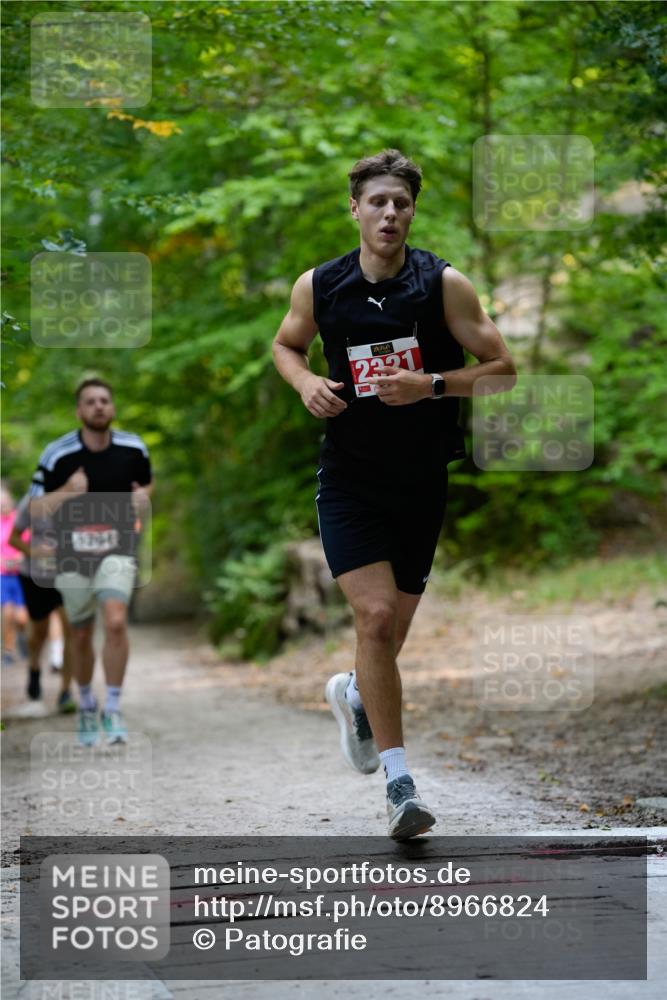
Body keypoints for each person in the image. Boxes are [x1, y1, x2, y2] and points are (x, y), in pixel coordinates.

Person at [273, 149, 516, 840]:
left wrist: (431, 385)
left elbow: (502, 370)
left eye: (400, 204)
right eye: (376, 202)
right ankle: (400, 786)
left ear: (412, 211)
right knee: (374, 620)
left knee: (389, 635)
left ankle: (354, 693)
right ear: (354, 208)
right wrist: (303, 384)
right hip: (348, 479)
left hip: (420, 479)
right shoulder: (319, 286)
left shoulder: (442, 284)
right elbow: (286, 346)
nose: (388, 213)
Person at [29, 378, 153, 745]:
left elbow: (145, 487)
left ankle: (112, 708)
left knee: (115, 622)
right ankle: (85, 704)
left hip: (118, 550)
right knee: (80, 632)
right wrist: (67, 490)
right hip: (72, 557)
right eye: (90, 401)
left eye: (104, 400)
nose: (98, 406)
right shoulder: (57, 455)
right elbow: (34, 508)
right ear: (79, 411)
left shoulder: (133, 449)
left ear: (112, 408)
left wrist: (142, 500)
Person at [9, 489, 75, 712]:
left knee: (72, 630)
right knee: (40, 631)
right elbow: (13, 538)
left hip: (68, 576)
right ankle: (34, 667)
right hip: (34, 576)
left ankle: (66, 691)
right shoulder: (31, 500)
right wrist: (35, 552)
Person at [1, 484, 29, 666]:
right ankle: (8, 650)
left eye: (5, 501)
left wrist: (20, 557)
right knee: (8, 613)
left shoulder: (18, 521)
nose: (3, 504)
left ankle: (22, 634)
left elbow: (27, 543)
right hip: (3, 575)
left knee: (21, 618)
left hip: (21, 574)